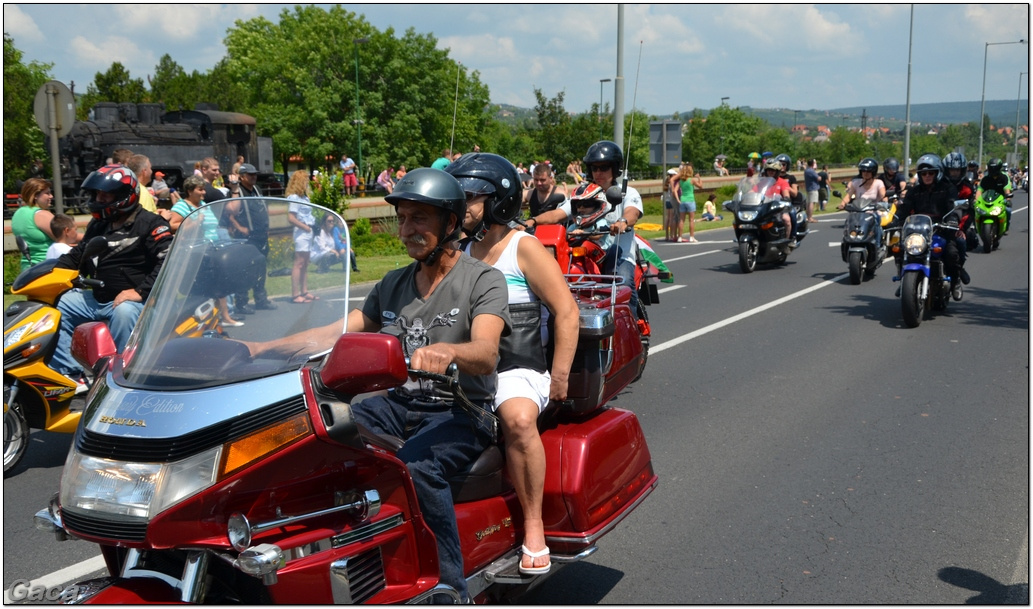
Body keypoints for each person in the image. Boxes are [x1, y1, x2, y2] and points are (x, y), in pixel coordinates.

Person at [246, 168, 510, 602]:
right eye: (403, 218)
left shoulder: (482, 280)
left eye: (419, 219)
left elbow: (486, 352)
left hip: (461, 408)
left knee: (417, 468)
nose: (407, 230)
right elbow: (339, 332)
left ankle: (448, 587)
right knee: (318, 432)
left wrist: (450, 352)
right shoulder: (393, 283)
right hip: (399, 403)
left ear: (449, 223)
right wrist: (264, 347)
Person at [447, 154, 579, 575]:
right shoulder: (460, 251)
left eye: (470, 198)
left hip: (518, 368)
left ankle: (534, 524)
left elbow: (566, 311)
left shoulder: (523, 247)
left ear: (498, 201)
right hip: (468, 367)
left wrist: (559, 377)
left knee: (519, 419)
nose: (461, 206)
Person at [51, 165, 173, 383]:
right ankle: (70, 376)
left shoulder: (151, 224)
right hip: (99, 296)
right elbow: (78, 254)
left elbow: (169, 260)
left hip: (138, 302)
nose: (98, 199)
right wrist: (50, 274)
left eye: (104, 195)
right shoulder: (99, 225)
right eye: (97, 194)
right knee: (62, 303)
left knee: (124, 312)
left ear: (123, 196)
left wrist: (140, 291)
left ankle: (127, 376)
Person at [527, 140, 644, 318]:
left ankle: (630, 328)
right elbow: (558, 214)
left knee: (622, 286)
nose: (598, 173)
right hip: (586, 254)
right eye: (595, 168)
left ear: (614, 168)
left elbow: (632, 212)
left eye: (604, 168)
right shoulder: (585, 194)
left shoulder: (626, 192)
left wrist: (623, 222)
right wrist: (532, 221)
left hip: (617, 255)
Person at [165, 175, 242, 328]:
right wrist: (194, 222)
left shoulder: (202, 204)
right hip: (196, 254)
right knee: (208, 288)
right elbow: (172, 226)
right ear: (189, 191)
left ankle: (223, 317)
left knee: (219, 285)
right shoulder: (182, 206)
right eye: (200, 190)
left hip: (211, 250)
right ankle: (208, 321)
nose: (203, 193)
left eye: (203, 190)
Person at [895, 153, 968, 297]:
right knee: (900, 249)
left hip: (941, 229)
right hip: (919, 230)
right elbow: (904, 208)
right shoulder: (914, 191)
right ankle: (904, 281)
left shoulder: (948, 188)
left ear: (938, 173)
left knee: (951, 252)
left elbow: (952, 206)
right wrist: (896, 219)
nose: (927, 176)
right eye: (923, 173)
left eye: (931, 173)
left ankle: (955, 281)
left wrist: (952, 219)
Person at [228, 163, 277, 313]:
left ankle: (261, 299)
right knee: (245, 270)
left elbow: (263, 208)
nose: (254, 177)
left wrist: (267, 227)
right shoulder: (237, 192)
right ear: (241, 177)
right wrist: (240, 227)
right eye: (250, 174)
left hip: (261, 235)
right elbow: (229, 214)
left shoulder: (257, 190)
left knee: (260, 269)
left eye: (254, 174)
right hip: (246, 238)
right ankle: (241, 303)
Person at [285, 170, 319, 304]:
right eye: (305, 180)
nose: (307, 183)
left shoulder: (304, 198)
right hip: (302, 231)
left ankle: (304, 291)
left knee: (305, 263)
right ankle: (295, 294)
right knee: (299, 263)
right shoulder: (294, 198)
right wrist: (305, 227)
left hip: (308, 231)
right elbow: (291, 218)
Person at [12, 177, 56, 271]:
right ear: (35, 195)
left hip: (27, 269)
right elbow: (66, 237)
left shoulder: (18, 214)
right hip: (48, 268)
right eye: (47, 193)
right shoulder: (42, 215)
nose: (51, 196)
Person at [760, 157, 793, 238]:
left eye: (773, 170)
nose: (770, 172)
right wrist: (745, 197)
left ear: (777, 171)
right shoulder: (762, 182)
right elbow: (753, 192)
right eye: (768, 170)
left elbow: (786, 193)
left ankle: (786, 241)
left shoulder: (782, 182)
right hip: (764, 209)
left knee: (787, 220)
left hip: (778, 208)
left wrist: (786, 198)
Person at [978, 158, 1013, 233]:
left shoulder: (1004, 177)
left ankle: (1006, 227)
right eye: (991, 168)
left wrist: (1008, 200)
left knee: (1008, 210)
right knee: (976, 210)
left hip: (1001, 200)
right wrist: (976, 201)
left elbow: (1007, 190)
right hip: (986, 200)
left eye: (995, 168)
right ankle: (976, 227)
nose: (993, 170)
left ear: (999, 168)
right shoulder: (985, 179)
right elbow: (979, 191)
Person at [674, 163, 704, 243]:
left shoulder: (680, 181)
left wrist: (678, 199)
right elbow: (701, 186)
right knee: (691, 220)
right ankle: (691, 237)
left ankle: (679, 237)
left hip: (683, 200)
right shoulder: (692, 180)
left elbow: (675, 190)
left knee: (681, 220)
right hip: (690, 200)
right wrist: (699, 178)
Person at [663, 167, 679, 241]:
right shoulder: (672, 183)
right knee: (673, 218)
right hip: (672, 201)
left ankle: (667, 235)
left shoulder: (666, 182)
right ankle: (672, 235)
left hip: (667, 201)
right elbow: (673, 191)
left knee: (668, 218)